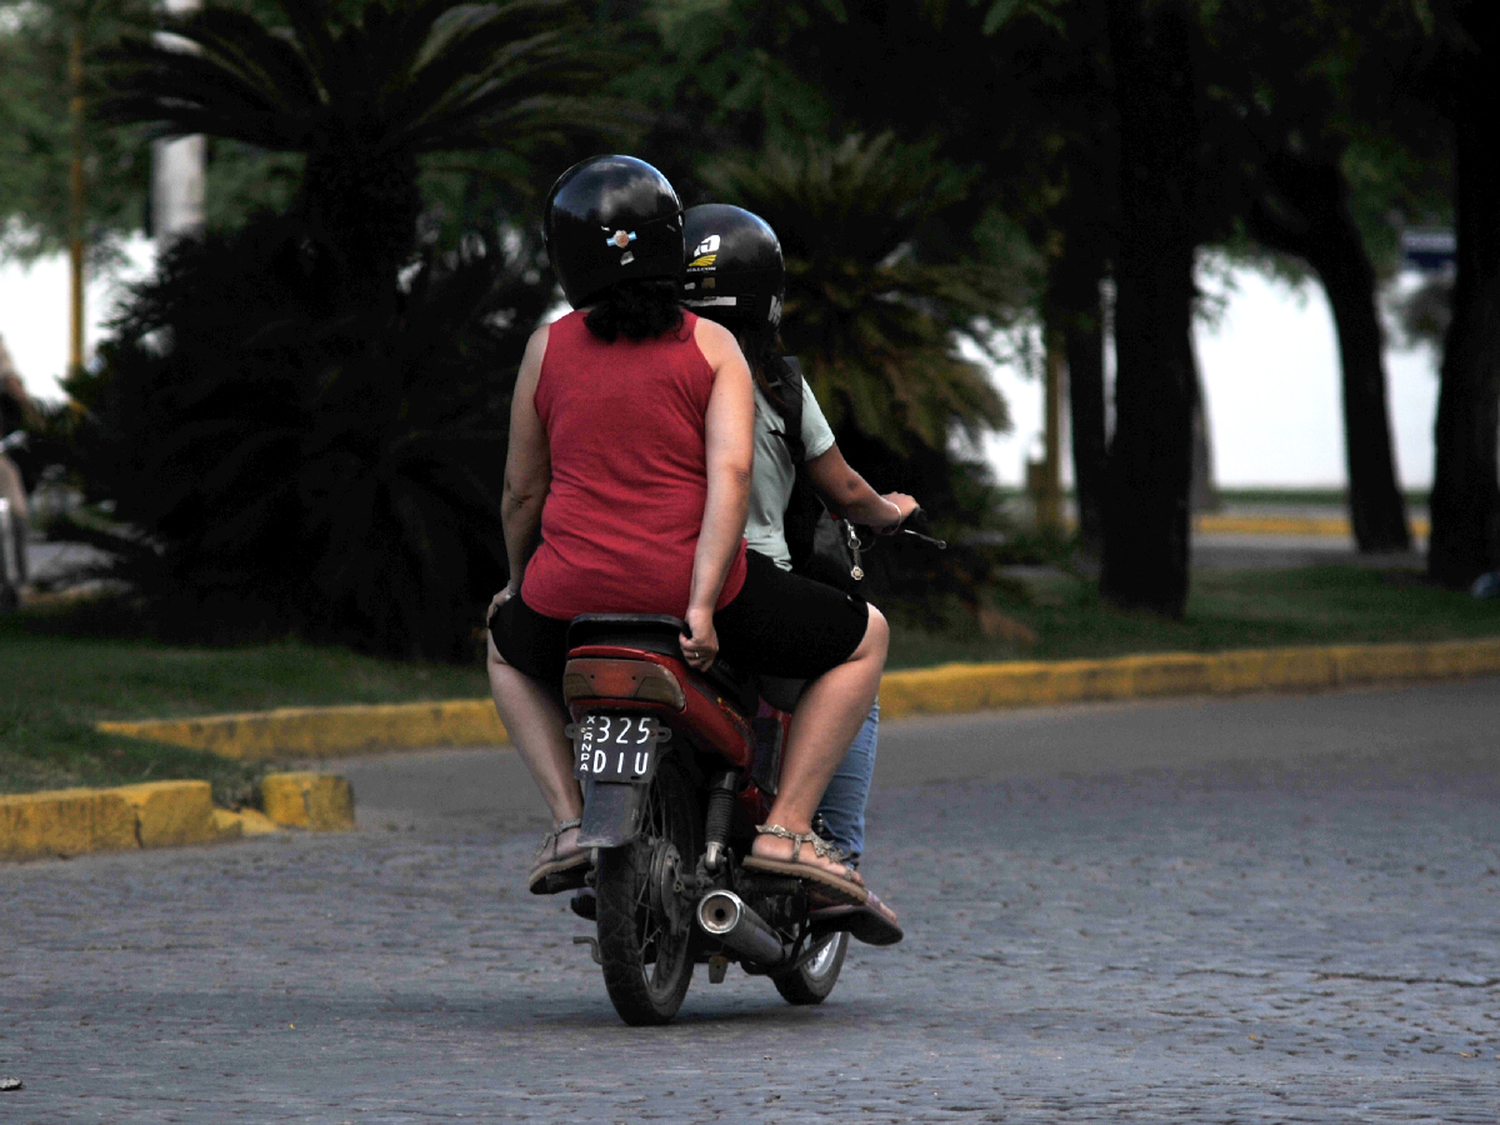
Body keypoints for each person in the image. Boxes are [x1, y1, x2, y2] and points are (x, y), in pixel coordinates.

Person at [485, 156, 894, 919]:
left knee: (504, 646)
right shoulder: (713, 347)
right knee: (866, 636)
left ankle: (570, 822)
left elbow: (521, 492)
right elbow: (730, 480)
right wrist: (702, 607)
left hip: (566, 599)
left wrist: (518, 579)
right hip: (698, 592)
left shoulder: (547, 348)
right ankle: (788, 831)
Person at [681, 204, 917, 864]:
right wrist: (891, 510)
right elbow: (843, 489)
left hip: (649, 580)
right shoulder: (773, 378)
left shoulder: (657, 374)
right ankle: (823, 842)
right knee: (860, 649)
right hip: (745, 587)